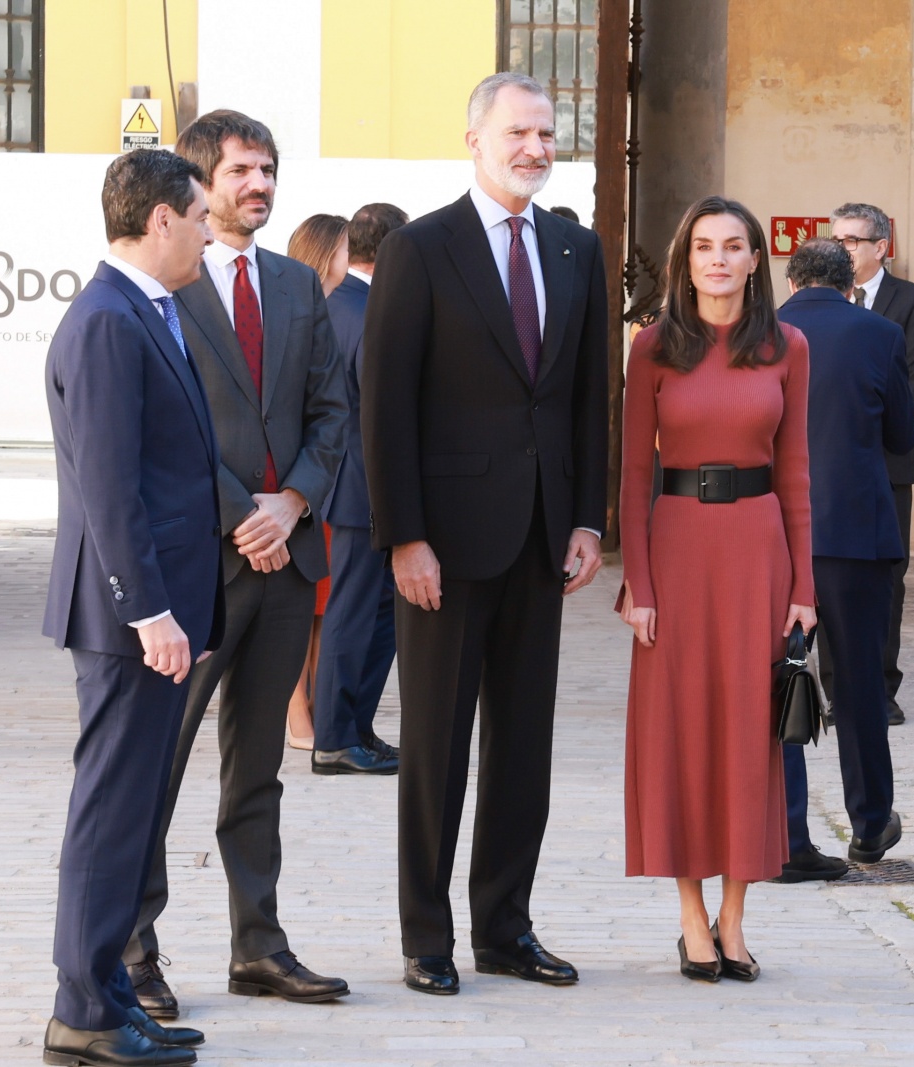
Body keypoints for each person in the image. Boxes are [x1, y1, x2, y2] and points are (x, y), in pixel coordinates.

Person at [362, 72, 610, 996]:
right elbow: (383, 404)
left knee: (523, 748)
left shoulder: (577, 250)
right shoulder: (420, 250)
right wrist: (404, 536)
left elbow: (589, 397)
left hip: (544, 538)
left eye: (547, 134)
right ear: (474, 139)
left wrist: (588, 516)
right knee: (435, 746)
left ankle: (505, 926)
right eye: (518, 133)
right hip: (445, 545)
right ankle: (427, 935)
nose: (535, 149)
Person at [127, 110, 352, 1018]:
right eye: (241, 171)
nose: (259, 185)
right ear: (197, 184)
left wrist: (291, 503)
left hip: (288, 562)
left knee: (257, 768)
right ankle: (133, 951)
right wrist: (240, 516)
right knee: (159, 766)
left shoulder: (300, 287)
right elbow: (159, 430)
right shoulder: (165, 286)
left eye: (268, 169)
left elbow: (334, 411)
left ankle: (257, 944)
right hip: (201, 570)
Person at [40, 148, 220, 1066]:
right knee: (111, 814)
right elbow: (110, 488)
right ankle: (83, 1010)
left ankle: (110, 993)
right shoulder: (111, 320)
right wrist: (149, 611)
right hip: (129, 624)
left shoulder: (144, 308)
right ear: (159, 220)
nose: (207, 231)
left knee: (130, 811)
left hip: (153, 617)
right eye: (198, 217)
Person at [619, 196, 815, 982]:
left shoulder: (788, 345)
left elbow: (797, 470)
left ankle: (735, 918)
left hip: (757, 553)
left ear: (754, 259)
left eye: (734, 246)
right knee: (679, 731)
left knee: (747, 733)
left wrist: (805, 585)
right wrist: (638, 580)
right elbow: (633, 473)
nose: (719, 260)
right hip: (676, 547)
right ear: (685, 260)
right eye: (703, 246)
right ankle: (691, 916)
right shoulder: (654, 347)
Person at [772, 238, 914, 884]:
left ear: (792, 278)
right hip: (855, 531)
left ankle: (787, 824)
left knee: (780, 678)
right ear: (849, 280)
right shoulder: (881, 334)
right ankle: (869, 820)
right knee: (857, 682)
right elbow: (899, 437)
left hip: (775, 532)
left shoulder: (763, 332)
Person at [312, 202, 410, 772]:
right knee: (356, 613)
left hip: (351, 485)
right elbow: (381, 413)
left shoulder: (340, 303)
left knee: (369, 613)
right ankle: (336, 737)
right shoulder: (370, 311)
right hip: (362, 488)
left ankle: (353, 731)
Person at [828, 203, 914, 725]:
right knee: (826, 578)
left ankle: (881, 690)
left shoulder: (911, 302)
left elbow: (911, 386)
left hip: (887, 466)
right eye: (836, 239)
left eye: (851, 240)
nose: (841, 249)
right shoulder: (814, 299)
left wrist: (848, 430)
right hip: (826, 470)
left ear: (880, 247)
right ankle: (833, 691)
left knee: (886, 580)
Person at [282, 212, 350, 753]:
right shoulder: (306, 310)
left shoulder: (327, 306)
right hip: (307, 481)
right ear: (330, 253)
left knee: (323, 606)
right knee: (304, 609)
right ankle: (294, 711)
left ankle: (312, 705)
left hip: (331, 477)